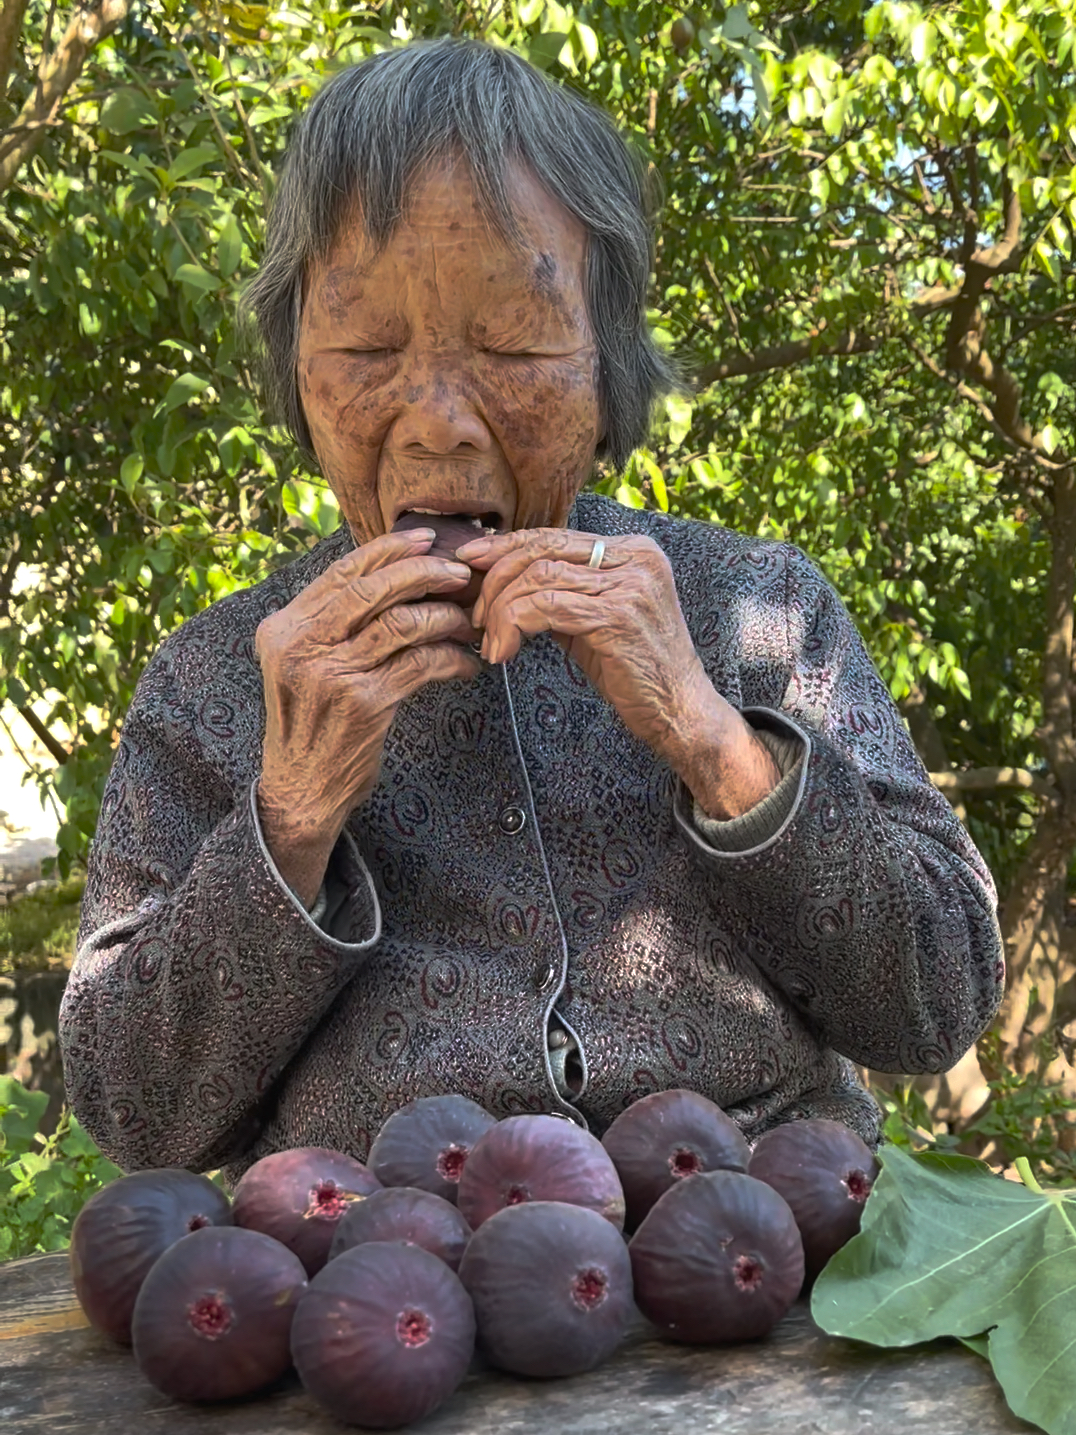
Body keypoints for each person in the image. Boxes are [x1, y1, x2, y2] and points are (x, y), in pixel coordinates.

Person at [59, 38, 1004, 1180]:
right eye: (363, 345)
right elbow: (130, 1110)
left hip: (769, 1252)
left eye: (510, 343)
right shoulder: (217, 676)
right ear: (297, 380)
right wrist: (291, 814)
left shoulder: (758, 605)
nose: (439, 422)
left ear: (606, 376)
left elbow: (939, 996)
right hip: (390, 1288)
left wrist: (715, 743)